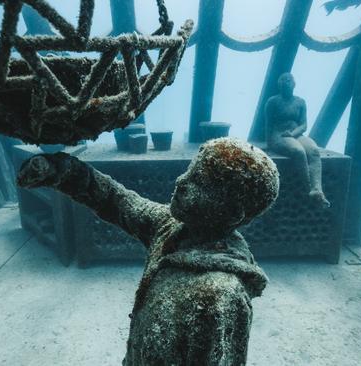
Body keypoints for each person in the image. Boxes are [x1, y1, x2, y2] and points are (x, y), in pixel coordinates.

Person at [17, 137, 279, 365]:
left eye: (199, 181)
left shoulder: (221, 296)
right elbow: (116, 200)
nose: (181, 180)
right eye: (189, 171)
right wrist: (63, 170)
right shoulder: (171, 227)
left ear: (231, 212)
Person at [265, 73, 330, 208]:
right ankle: (309, 189)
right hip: (279, 135)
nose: (286, 82)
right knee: (298, 151)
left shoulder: (300, 102)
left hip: (296, 134)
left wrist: (293, 133)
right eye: (283, 80)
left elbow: (304, 125)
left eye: (289, 80)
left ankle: (318, 189)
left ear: (294, 84)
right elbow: (268, 125)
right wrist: (270, 143)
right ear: (279, 85)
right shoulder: (272, 101)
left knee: (313, 150)